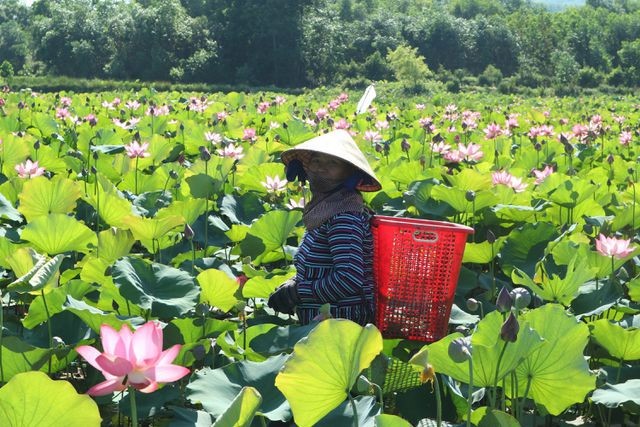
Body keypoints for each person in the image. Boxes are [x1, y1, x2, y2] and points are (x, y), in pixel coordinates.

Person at [267, 129, 382, 326]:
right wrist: (293, 283)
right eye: (317, 161)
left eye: (332, 163)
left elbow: (348, 279)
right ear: (304, 167)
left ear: (350, 173)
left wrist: (298, 293)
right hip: (322, 321)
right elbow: (319, 268)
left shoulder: (345, 216)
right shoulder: (325, 209)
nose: (321, 168)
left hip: (343, 324)